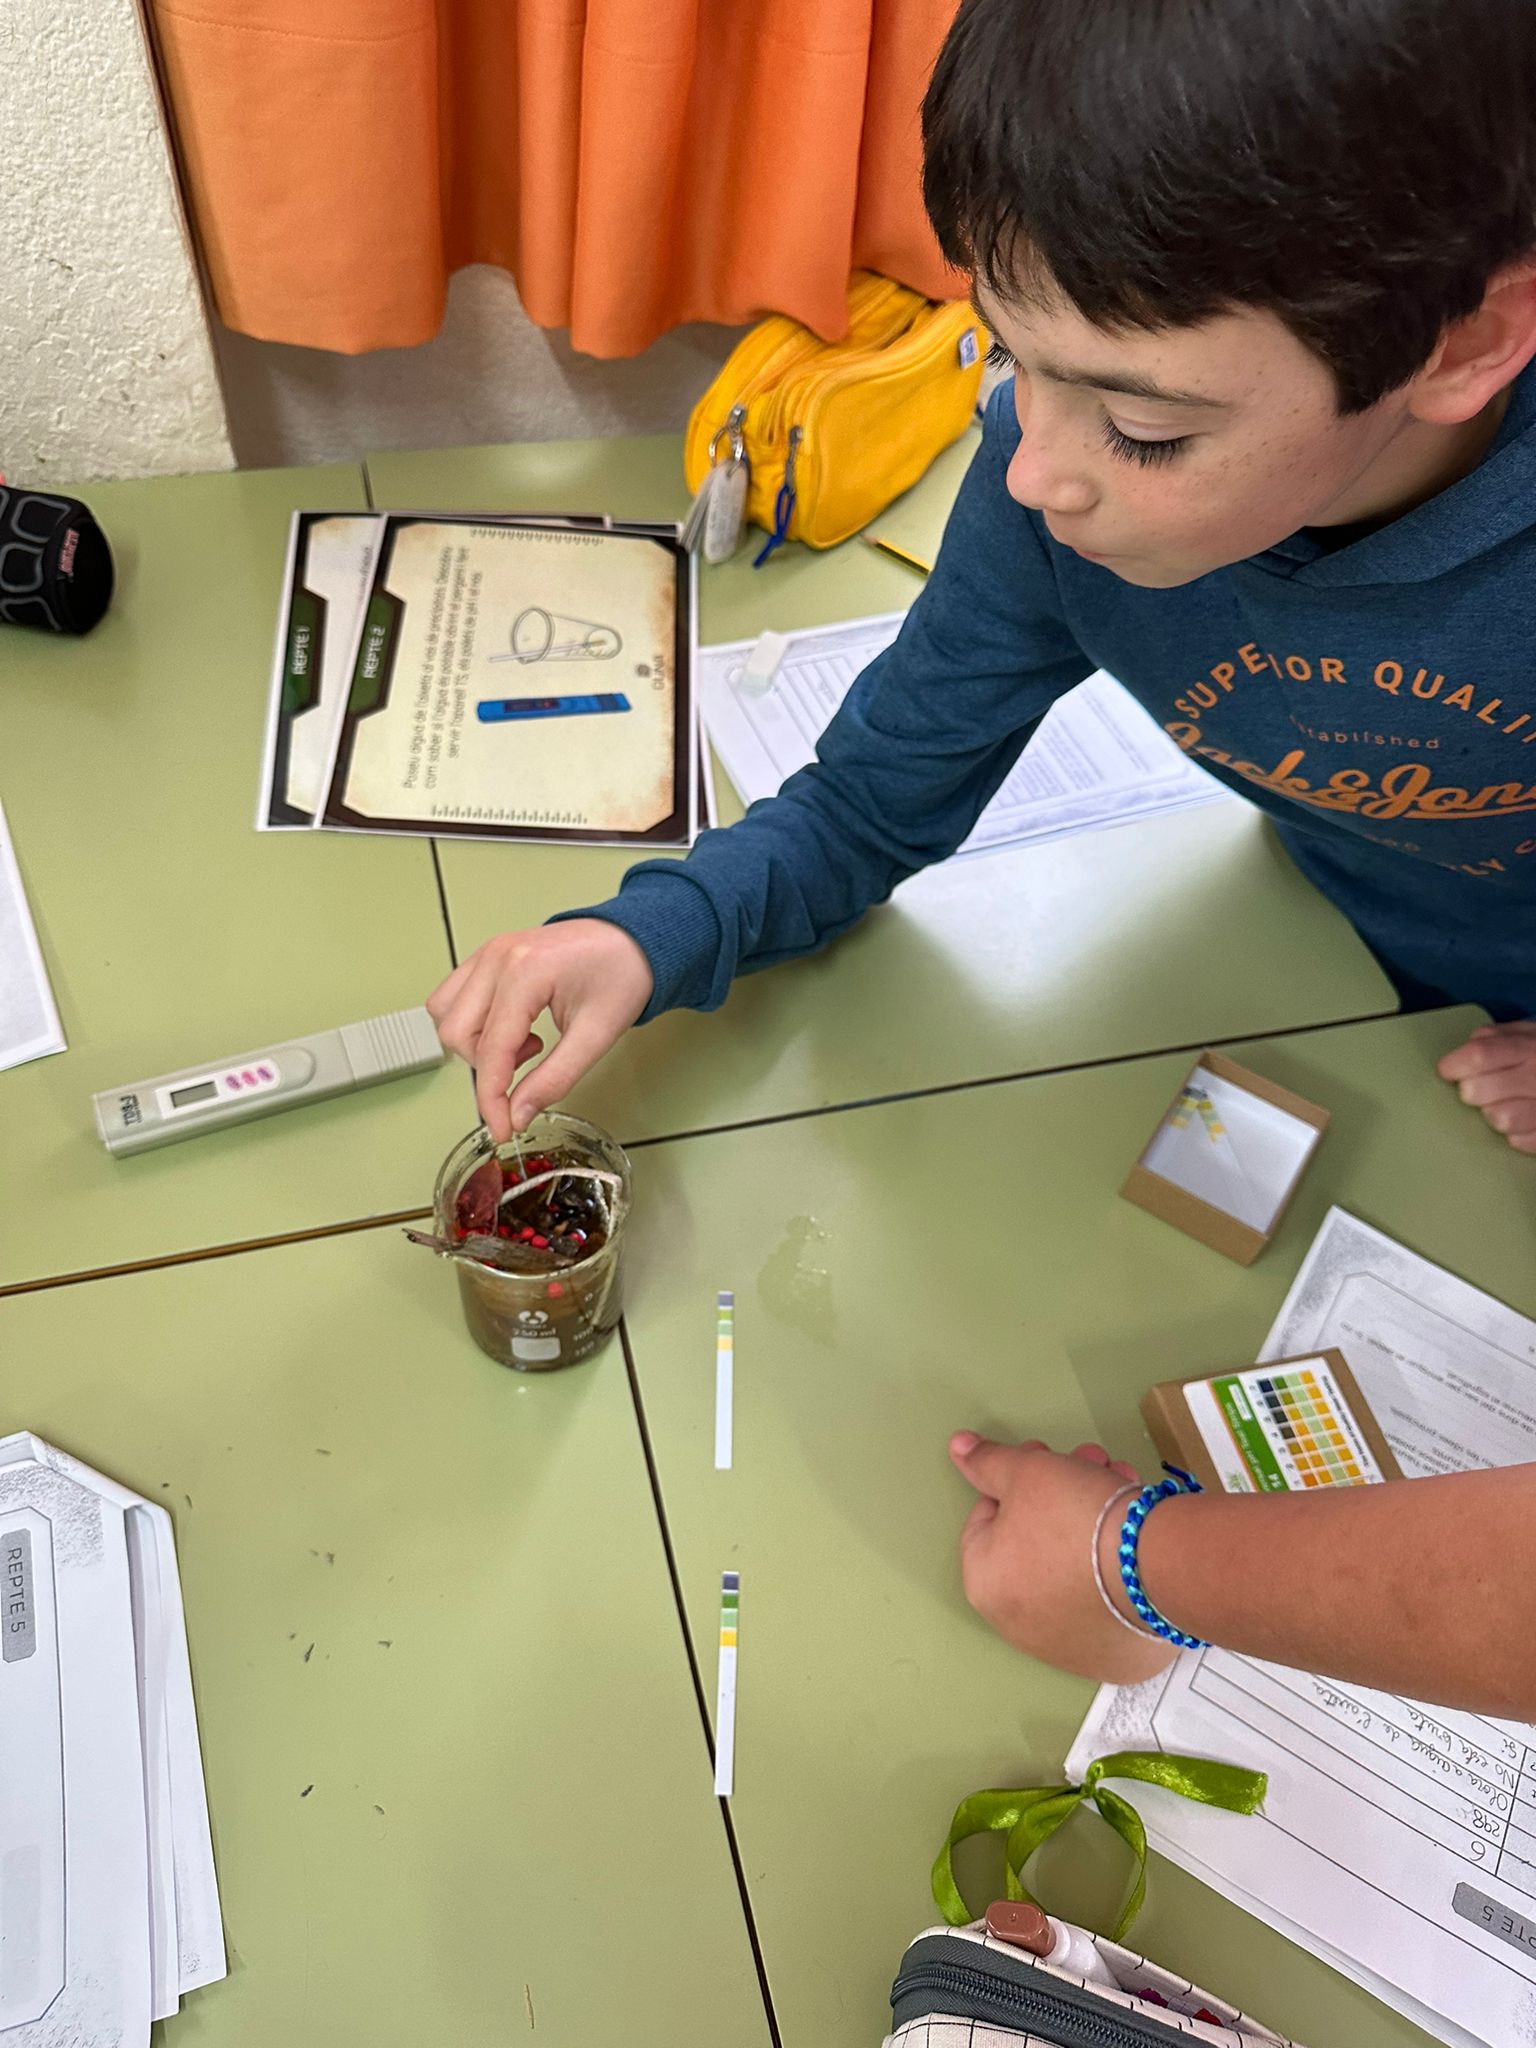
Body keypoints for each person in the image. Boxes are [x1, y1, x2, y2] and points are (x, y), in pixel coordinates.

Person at [429, 0, 1536, 1707]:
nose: (1034, 476)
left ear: (1467, 343)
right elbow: (877, 793)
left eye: (1145, 430)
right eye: (1007, 358)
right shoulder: (1051, 483)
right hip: (1335, 981)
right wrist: (658, 931)